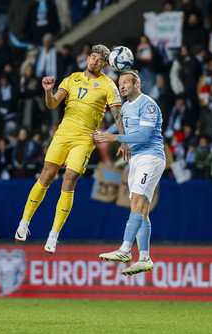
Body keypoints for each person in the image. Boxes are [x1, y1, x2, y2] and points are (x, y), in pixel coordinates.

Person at [14, 44, 123, 253]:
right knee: (46, 176)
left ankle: (53, 234)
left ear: (105, 65)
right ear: (88, 57)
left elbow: (117, 115)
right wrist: (48, 92)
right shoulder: (72, 78)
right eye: (92, 57)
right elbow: (52, 104)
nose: (94, 61)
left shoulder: (108, 84)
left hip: (85, 138)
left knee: (69, 179)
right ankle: (24, 222)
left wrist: (124, 139)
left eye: (99, 60)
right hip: (63, 133)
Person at [94, 69, 166, 276]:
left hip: (151, 158)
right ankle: (144, 258)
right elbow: (118, 128)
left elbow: (143, 135)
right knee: (141, 209)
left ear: (138, 84)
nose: (122, 86)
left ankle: (125, 249)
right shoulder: (125, 107)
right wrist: (100, 135)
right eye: (120, 83)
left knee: (136, 201)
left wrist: (113, 139)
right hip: (136, 160)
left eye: (126, 82)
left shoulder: (148, 105)